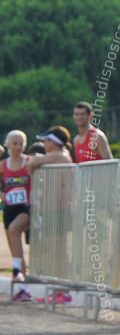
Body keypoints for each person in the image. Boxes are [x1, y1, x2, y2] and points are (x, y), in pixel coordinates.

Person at [27, 127, 74, 303]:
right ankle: (58, 290)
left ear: (53, 142)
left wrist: (35, 161)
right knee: (54, 251)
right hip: (53, 209)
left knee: (58, 251)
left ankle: (62, 291)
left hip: (58, 209)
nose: (44, 144)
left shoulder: (60, 156)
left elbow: (31, 163)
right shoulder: (59, 156)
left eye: (46, 141)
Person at [3, 130, 33, 296]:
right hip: (9, 208)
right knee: (14, 248)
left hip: (25, 207)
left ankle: (17, 274)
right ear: (8, 145)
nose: (18, 147)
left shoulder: (29, 162)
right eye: (15, 143)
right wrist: (1, 194)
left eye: (21, 144)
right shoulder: (4, 165)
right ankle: (23, 287)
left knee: (15, 230)